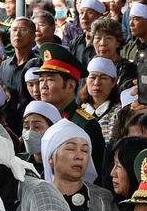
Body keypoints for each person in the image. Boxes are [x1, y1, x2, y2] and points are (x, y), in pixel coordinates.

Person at [36, 43, 106, 174]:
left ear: (70, 86)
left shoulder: (84, 124)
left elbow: (93, 174)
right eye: (41, 80)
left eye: (50, 80)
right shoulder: (39, 119)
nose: (43, 86)